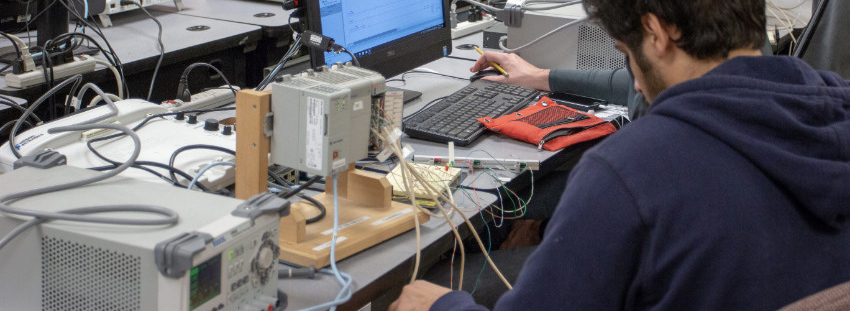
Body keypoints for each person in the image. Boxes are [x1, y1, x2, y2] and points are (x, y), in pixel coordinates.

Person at [389, 0, 850, 310]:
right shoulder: (836, 108)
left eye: (626, 55)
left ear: (656, 31)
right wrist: (541, 77)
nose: (632, 82)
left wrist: (441, 305)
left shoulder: (630, 173)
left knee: (433, 283)